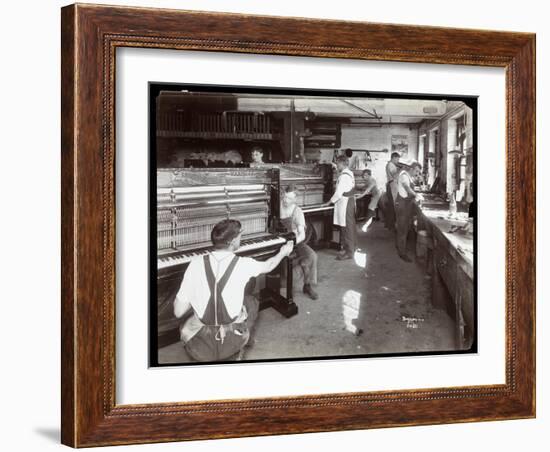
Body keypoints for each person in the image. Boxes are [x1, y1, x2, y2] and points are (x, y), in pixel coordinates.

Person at [173, 219, 294, 361]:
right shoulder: (243, 264)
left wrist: (197, 296)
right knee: (252, 301)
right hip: (232, 342)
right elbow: (268, 265)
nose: (240, 239)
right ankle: (242, 342)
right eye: (240, 236)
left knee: (193, 318)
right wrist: (283, 252)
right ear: (232, 241)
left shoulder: (195, 265)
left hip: (199, 345)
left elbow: (178, 312)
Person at [280, 185, 319, 300]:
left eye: (290, 199)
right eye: (285, 197)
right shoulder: (278, 206)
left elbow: (302, 234)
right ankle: (297, 272)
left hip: (295, 242)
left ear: (295, 199)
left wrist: (293, 242)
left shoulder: (297, 211)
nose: (286, 201)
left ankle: (307, 285)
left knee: (312, 255)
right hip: (279, 242)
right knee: (286, 269)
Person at [323, 155, 356, 260]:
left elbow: (338, 193)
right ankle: (348, 249)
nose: (337, 166)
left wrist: (328, 202)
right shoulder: (348, 173)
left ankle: (349, 253)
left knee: (347, 229)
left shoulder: (344, 176)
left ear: (342, 163)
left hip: (346, 204)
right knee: (347, 228)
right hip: (347, 203)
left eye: (338, 163)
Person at [394, 161, 423, 262]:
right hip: (402, 204)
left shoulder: (409, 176)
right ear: (411, 168)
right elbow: (407, 188)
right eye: (416, 171)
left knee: (405, 227)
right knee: (402, 228)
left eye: (418, 172)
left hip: (406, 204)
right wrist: (416, 195)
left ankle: (400, 246)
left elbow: (411, 185)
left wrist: (419, 179)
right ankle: (402, 253)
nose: (417, 173)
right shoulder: (404, 175)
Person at [385, 152, 401, 230]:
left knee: (392, 206)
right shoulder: (390, 165)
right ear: (394, 158)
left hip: (392, 185)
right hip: (392, 185)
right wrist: (400, 169)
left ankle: (389, 225)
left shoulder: (392, 165)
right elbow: (394, 175)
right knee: (392, 206)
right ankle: (390, 225)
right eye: (397, 159)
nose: (398, 161)